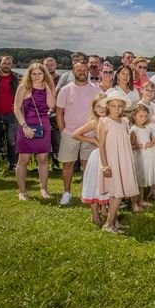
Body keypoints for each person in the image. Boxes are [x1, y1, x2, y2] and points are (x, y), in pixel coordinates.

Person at [56, 61, 102, 205]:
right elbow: (59, 112)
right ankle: (67, 193)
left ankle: (86, 193)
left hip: (89, 134)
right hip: (70, 133)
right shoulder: (65, 90)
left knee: (87, 165)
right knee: (68, 164)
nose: (82, 72)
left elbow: (102, 111)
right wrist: (63, 131)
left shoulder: (96, 90)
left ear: (88, 71)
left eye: (84, 70)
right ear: (73, 71)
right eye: (78, 70)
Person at [13, 62, 56, 200]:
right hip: (26, 125)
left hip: (43, 124)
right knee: (23, 159)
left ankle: (44, 189)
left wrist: (49, 88)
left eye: (40, 73)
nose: (37, 76)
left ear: (45, 74)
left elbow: (51, 105)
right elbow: (16, 108)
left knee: (43, 159)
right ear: (29, 75)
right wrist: (25, 126)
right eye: (34, 73)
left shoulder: (48, 88)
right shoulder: (23, 87)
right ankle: (22, 191)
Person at [97, 91, 139, 234]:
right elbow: (101, 145)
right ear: (108, 106)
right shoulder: (104, 122)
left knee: (117, 191)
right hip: (112, 161)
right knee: (117, 193)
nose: (117, 109)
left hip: (123, 159)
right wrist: (105, 165)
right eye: (113, 106)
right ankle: (108, 224)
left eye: (120, 106)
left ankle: (114, 221)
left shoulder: (124, 121)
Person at [73, 93, 108, 227]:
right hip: (98, 156)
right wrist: (93, 140)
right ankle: (94, 214)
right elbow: (76, 134)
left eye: (104, 106)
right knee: (95, 184)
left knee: (105, 184)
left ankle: (104, 209)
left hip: (108, 155)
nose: (101, 109)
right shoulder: (95, 122)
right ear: (94, 108)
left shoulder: (110, 120)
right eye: (98, 106)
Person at [0, 55, 21, 173]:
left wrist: (19, 106)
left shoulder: (17, 77)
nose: (6, 65)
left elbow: (24, 93)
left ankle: (13, 164)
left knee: (12, 140)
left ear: (11, 65)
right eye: (4, 63)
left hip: (12, 114)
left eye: (9, 63)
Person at [130, 104, 155, 208]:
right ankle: (135, 202)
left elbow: (149, 140)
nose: (143, 118)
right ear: (134, 116)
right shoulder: (134, 130)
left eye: (146, 116)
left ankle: (141, 200)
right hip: (139, 157)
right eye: (141, 116)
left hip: (147, 157)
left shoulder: (146, 128)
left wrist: (151, 143)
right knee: (138, 179)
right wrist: (142, 145)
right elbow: (131, 146)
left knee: (142, 179)